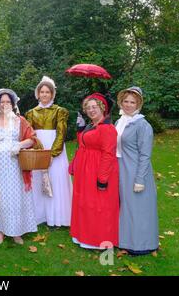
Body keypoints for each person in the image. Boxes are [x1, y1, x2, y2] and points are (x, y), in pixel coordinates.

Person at [0, 89, 38, 245]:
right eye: (2, 102)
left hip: (15, 166)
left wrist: (20, 144)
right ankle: (0, 230)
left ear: (13, 104)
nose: (4, 104)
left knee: (15, 197)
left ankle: (16, 231)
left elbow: (32, 139)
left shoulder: (20, 121)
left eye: (8, 102)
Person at [69, 93, 119, 249]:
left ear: (102, 108)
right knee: (85, 203)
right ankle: (84, 235)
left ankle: (99, 240)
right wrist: (81, 130)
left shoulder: (108, 128)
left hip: (98, 170)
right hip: (86, 170)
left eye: (94, 107)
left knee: (99, 205)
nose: (91, 110)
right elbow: (85, 143)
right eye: (88, 108)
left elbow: (108, 154)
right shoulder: (92, 125)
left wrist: (102, 178)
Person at [116, 86, 159, 255]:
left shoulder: (143, 125)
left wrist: (140, 179)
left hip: (136, 171)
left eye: (132, 102)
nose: (128, 105)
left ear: (138, 104)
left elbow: (145, 155)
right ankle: (126, 241)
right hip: (121, 169)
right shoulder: (120, 121)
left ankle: (142, 244)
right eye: (126, 101)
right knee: (126, 207)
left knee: (138, 208)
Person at [25, 76, 72, 227]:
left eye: (47, 92)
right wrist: (38, 152)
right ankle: (40, 216)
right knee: (38, 180)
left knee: (56, 180)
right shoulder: (31, 113)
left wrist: (52, 154)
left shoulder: (60, 111)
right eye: (42, 92)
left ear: (52, 94)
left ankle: (57, 217)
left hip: (54, 149)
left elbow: (61, 133)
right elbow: (30, 134)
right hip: (38, 149)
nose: (44, 95)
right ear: (38, 94)